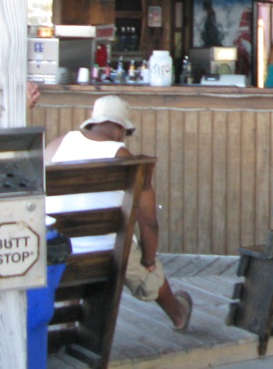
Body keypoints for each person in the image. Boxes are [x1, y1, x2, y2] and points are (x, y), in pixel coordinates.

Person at [45, 95, 194, 330]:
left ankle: (68, 323)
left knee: (79, 247)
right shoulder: (126, 159)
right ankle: (177, 314)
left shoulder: (55, 146)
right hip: (108, 256)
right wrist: (149, 259)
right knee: (138, 260)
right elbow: (149, 223)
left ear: (92, 122)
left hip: (56, 253)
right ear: (119, 128)